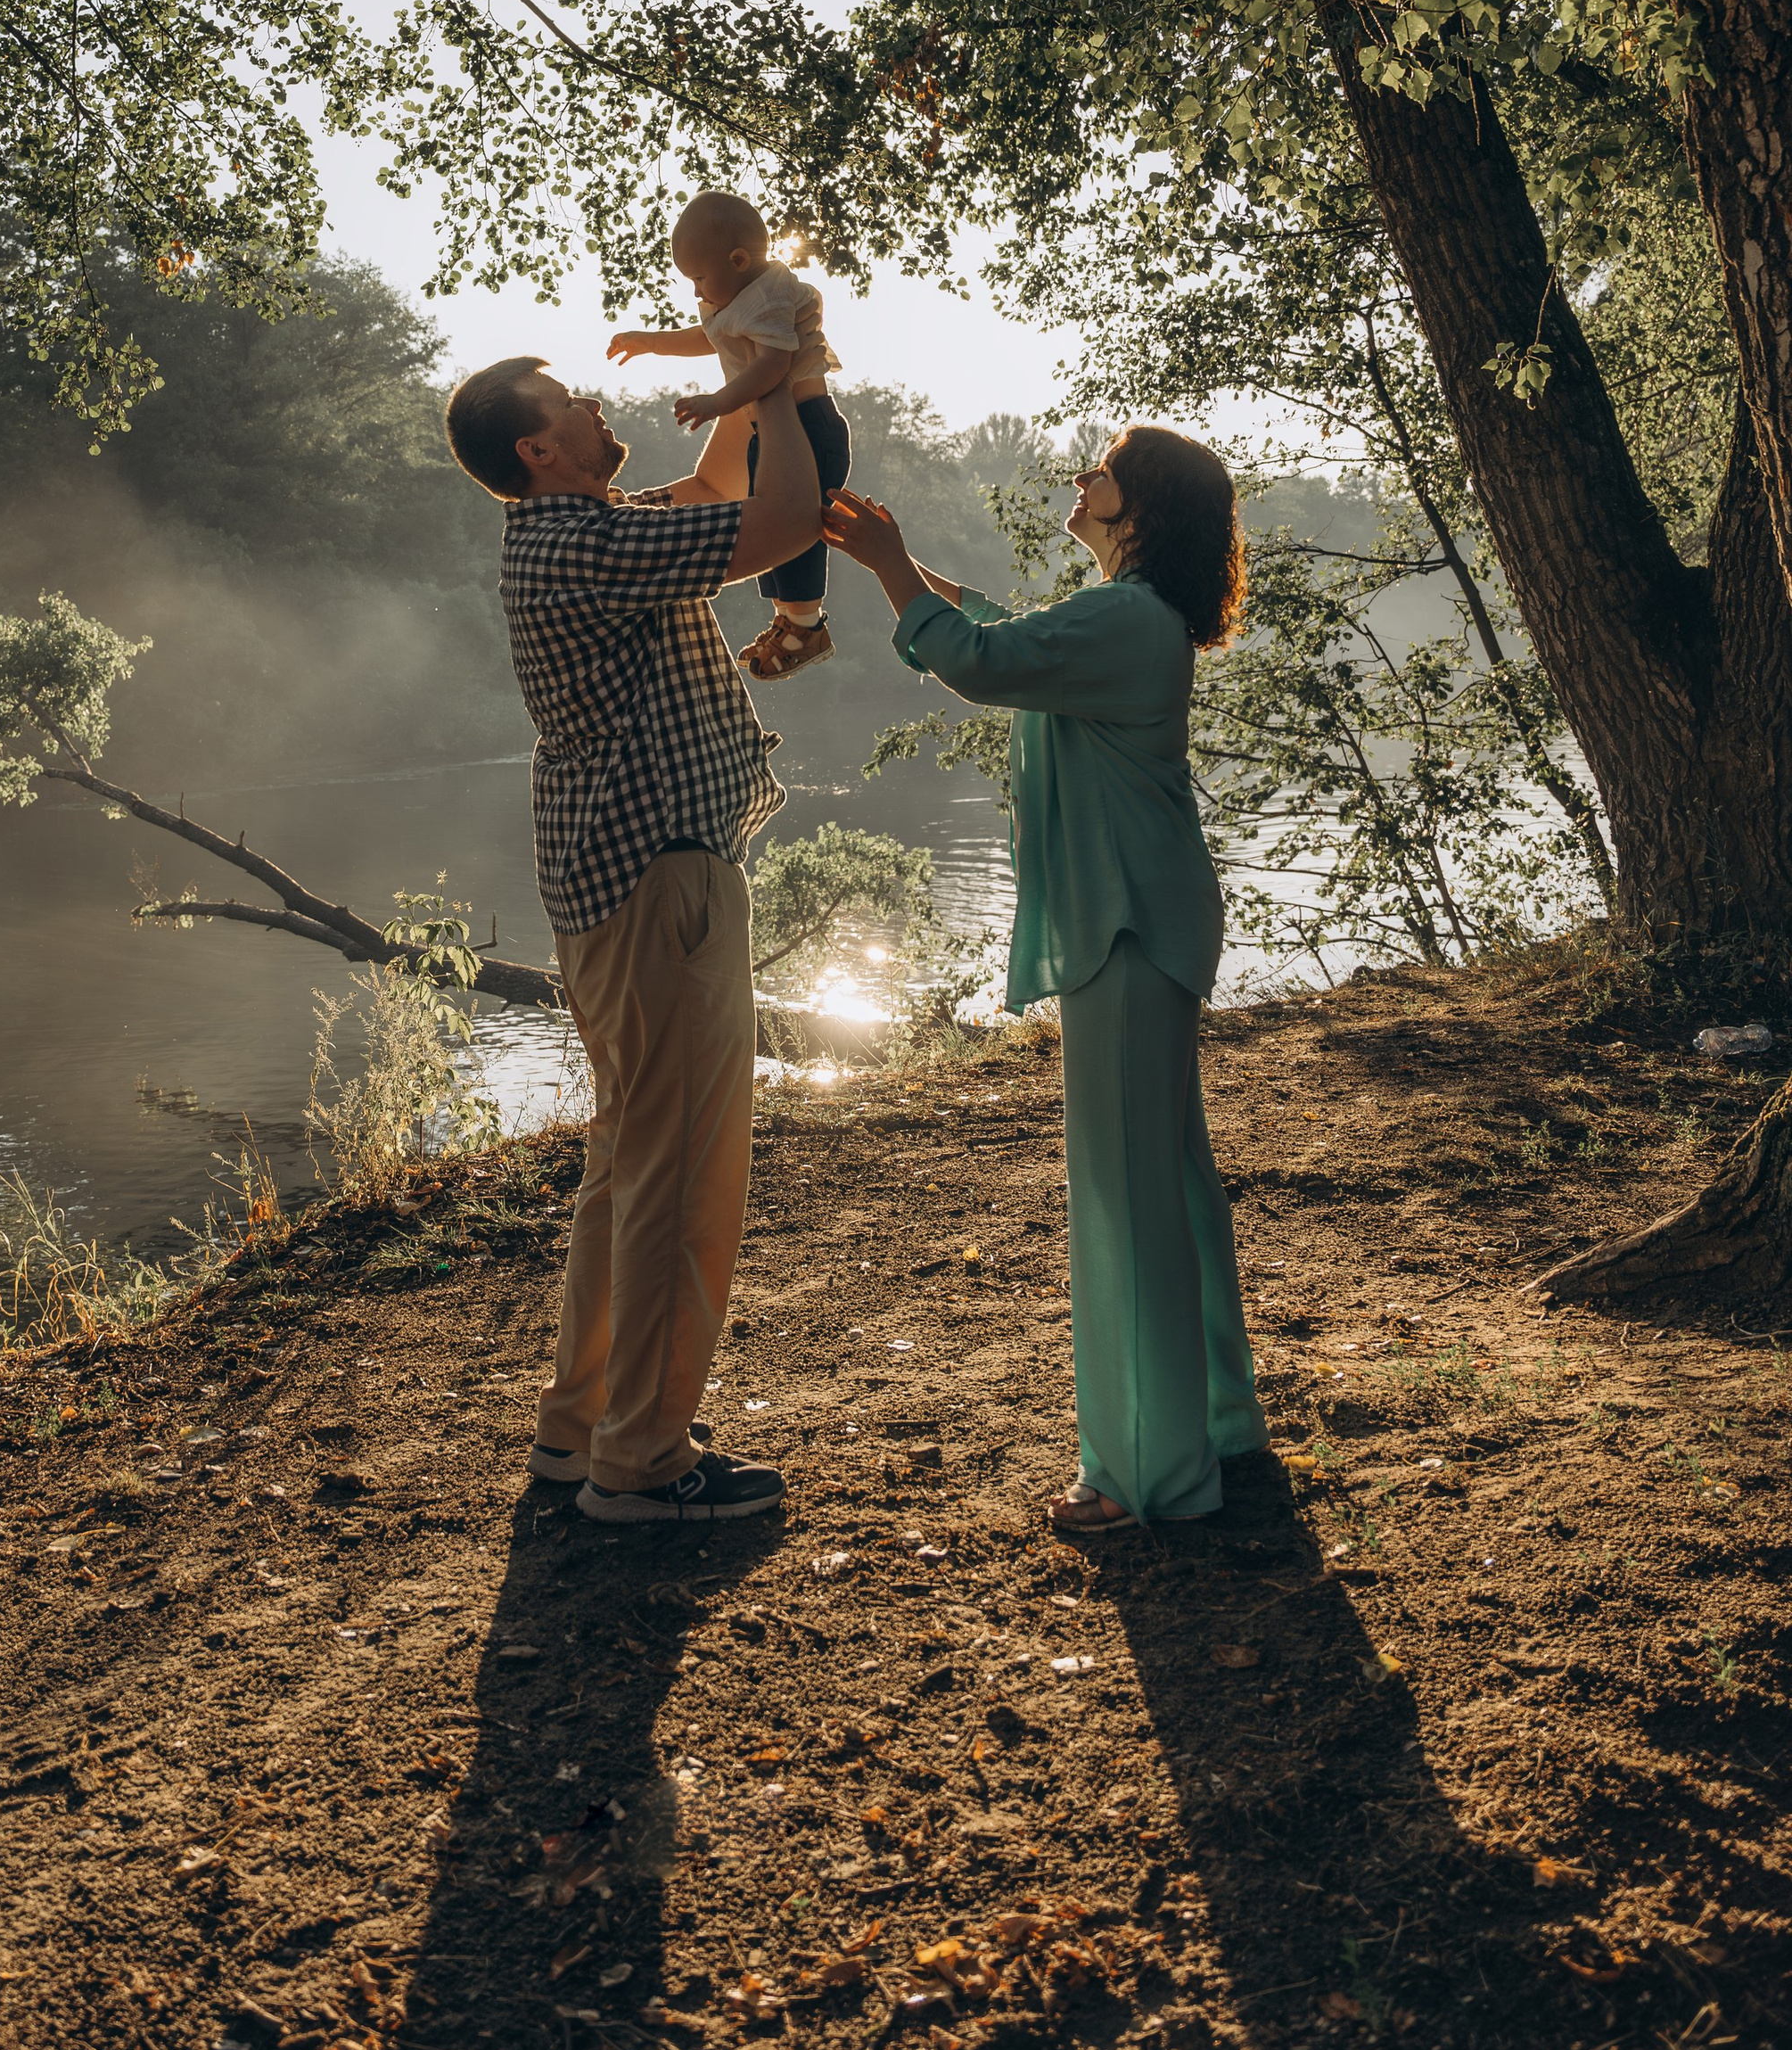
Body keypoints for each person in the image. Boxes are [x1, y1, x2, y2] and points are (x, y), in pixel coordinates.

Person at [824, 429, 1268, 1537]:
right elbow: (991, 632)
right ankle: (1218, 1429)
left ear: (1144, 507)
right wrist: (894, 561)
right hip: (1144, 917)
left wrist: (886, 568)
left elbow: (977, 663)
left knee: (1126, 1206)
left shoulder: (1122, 620)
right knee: (1168, 1185)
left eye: (1101, 468)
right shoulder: (1130, 617)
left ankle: (1144, 1478)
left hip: (1122, 923)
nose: (1080, 479)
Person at [443, 351, 824, 1524]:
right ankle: (644, 1461)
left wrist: (749, 359)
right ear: (537, 451)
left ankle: (584, 1427)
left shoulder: (609, 526)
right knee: (679, 1178)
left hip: (630, 892)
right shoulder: (578, 545)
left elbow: (721, 482)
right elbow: (785, 518)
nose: (596, 406)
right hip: (659, 889)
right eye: (571, 402)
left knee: (627, 1168)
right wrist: (783, 379)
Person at [605, 190, 850, 681]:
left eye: (698, 278)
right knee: (772, 531)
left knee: (797, 531)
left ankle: (807, 626)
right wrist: (652, 342)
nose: (696, 293)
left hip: (809, 427)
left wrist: (720, 402)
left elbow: (773, 366)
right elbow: (710, 337)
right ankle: (791, 621)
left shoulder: (769, 297)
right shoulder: (738, 299)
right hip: (775, 433)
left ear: (739, 260)